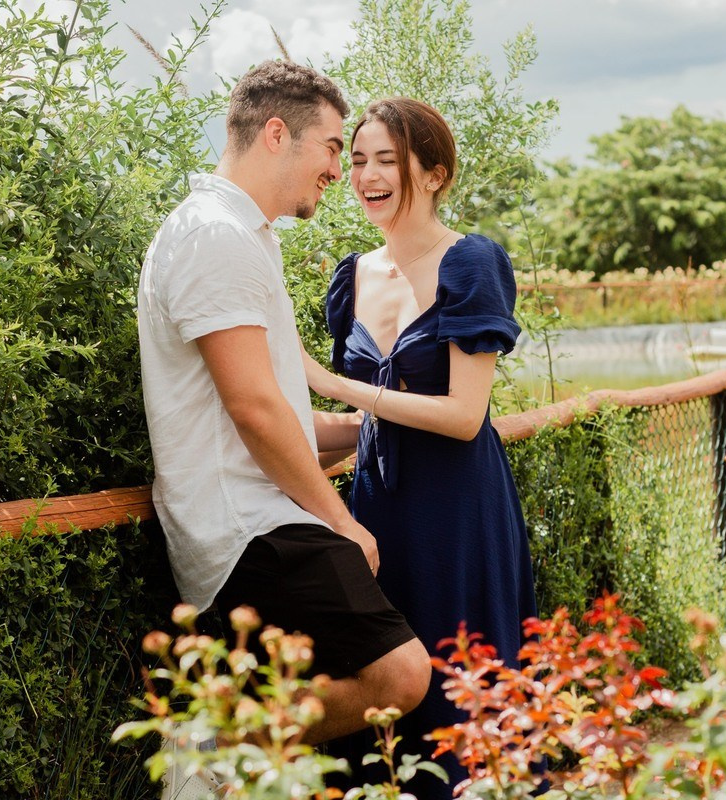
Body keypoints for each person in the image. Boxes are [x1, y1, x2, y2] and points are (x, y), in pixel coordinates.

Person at [137, 65, 430, 798]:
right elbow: (253, 410)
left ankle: (229, 759)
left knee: (350, 690)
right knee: (398, 671)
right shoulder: (213, 237)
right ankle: (212, 748)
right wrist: (340, 521)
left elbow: (279, 410)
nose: (341, 167)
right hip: (247, 524)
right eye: (333, 146)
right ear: (276, 134)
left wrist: (371, 431)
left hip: (262, 513)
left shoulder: (243, 236)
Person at [303, 97, 538, 798]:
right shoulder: (351, 276)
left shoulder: (471, 263)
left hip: (459, 512)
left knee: (460, 694)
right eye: (357, 161)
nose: (368, 176)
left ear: (434, 173)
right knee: (386, 688)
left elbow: (465, 416)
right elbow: (370, 424)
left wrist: (336, 386)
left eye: (387, 161)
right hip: (374, 512)